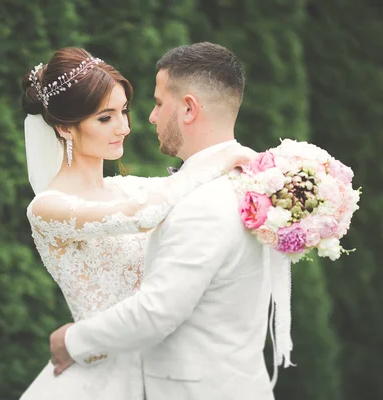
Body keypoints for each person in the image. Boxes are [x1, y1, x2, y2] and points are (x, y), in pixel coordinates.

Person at [48, 42, 290, 400]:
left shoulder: (201, 203)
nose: (148, 118)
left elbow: (156, 313)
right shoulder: (250, 183)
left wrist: (70, 340)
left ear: (188, 108)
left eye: (159, 104)